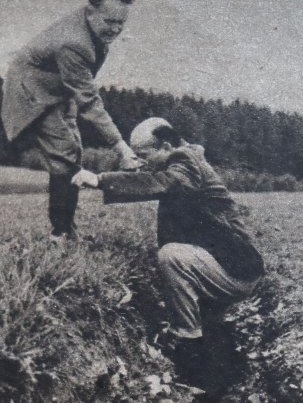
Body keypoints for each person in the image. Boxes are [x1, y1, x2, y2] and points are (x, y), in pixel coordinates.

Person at [72, 117, 265, 395]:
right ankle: (211, 364)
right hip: (226, 264)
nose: (143, 163)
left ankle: (187, 343)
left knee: (172, 256)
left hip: (236, 269)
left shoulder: (184, 160)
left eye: (146, 156)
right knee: (180, 266)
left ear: (165, 145)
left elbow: (165, 183)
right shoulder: (185, 160)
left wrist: (100, 179)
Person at [1, 0, 139, 242]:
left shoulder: (92, 32)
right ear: (90, 11)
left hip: (57, 89)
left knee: (73, 150)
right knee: (64, 155)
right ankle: (60, 235)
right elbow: (88, 100)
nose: (116, 29)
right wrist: (121, 147)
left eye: (121, 23)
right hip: (32, 93)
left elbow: (79, 88)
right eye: (110, 21)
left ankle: (67, 230)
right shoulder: (74, 42)